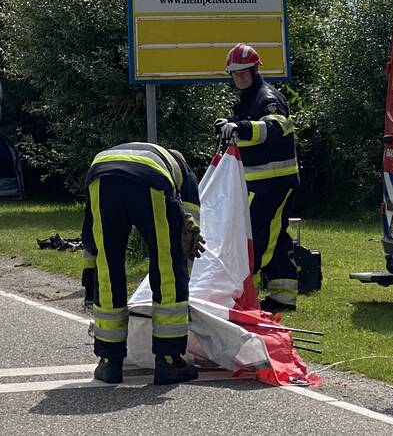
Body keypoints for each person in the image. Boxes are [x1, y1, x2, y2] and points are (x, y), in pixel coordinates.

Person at [80, 141, 204, 385]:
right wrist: (184, 269)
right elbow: (188, 235)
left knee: (108, 266)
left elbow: (90, 233)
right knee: (166, 266)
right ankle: (168, 361)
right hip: (151, 181)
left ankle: (108, 362)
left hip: (100, 178)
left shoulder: (121, 155)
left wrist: (89, 275)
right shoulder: (184, 173)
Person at [215, 43, 300, 312]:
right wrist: (227, 125)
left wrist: (238, 127)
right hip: (260, 183)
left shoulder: (267, 97)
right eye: (234, 74)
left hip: (276, 182)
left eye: (243, 72)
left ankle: (246, 291)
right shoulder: (247, 99)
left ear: (254, 70)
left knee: (261, 238)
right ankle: (282, 297)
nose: (238, 77)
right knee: (276, 236)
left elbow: (274, 128)